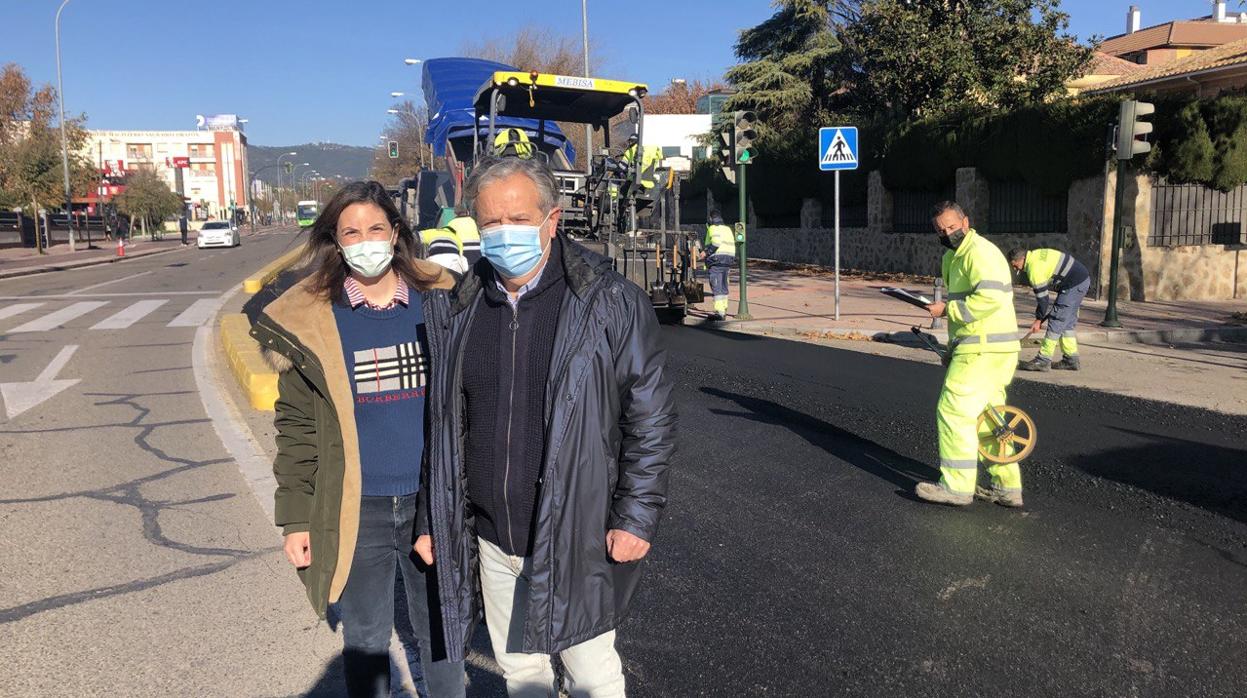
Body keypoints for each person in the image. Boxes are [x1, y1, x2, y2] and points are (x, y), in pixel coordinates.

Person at [415, 156, 677, 697]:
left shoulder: (606, 302)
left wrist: (637, 517)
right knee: (522, 673)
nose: (503, 233)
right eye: (490, 223)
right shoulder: (462, 309)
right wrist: (431, 517)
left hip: (574, 532)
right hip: (492, 537)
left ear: (551, 221)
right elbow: (444, 427)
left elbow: (650, 417)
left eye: (517, 218)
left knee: (590, 675)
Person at [250, 181, 466, 697]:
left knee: (441, 636)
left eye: (375, 228)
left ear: (396, 233)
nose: (365, 240)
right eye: (351, 231)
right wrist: (296, 519)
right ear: (336, 241)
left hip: (430, 502)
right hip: (356, 507)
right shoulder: (314, 320)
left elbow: (467, 407)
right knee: (366, 640)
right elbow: (298, 429)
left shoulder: (439, 300)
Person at [917, 201, 1024, 508]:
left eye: (952, 226)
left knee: (953, 411)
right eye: (941, 230)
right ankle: (1007, 487)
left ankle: (956, 486)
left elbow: (991, 297)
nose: (948, 233)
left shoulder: (981, 252)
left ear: (966, 221)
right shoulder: (954, 256)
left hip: (983, 348)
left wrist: (946, 310)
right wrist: (951, 349)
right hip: (987, 348)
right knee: (991, 420)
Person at [1009, 247, 1090, 372]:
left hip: (1074, 284)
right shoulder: (1035, 255)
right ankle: (1071, 359)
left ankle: (1043, 360)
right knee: (1066, 323)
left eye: (1016, 265)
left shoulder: (1034, 269)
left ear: (1022, 259)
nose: (1016, 269)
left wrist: (1038, 320)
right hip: (1081, 280)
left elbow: (1043, 299)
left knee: (1057, 320)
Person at [701, 211, 736, 320]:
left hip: (717, 260)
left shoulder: (713, 228)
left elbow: (716, 242)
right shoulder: (727, 229)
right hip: (728, 260)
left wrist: (705, 253)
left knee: (716, 286)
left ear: (711, 219)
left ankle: (719, 313)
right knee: (724, 286)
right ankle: (724, 309)